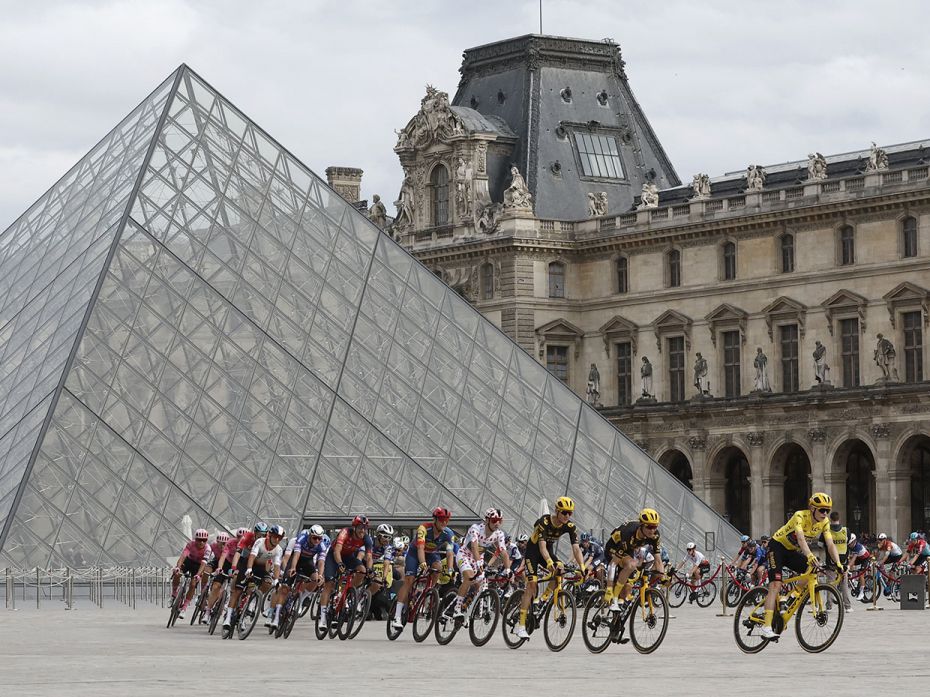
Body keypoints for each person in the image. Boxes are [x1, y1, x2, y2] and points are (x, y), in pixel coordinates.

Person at [759, 493, 843, 640]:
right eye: (822, 510)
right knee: (775, 585)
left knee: (812, 569)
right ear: (812, 508)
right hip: (777, 547)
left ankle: (791, 595)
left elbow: (830, 544)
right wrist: (809, 555)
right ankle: (766, 627)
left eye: (827, 511)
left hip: (791, 551)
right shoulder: (800, 516)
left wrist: (838, 563)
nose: (825, 513)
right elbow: (800, 537)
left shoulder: (824, 523)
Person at [515, 496, 586, 640]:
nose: (567, 516)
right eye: (564, 512)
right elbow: (541, 547)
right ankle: (521, 626)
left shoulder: (570, 526)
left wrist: (582, 567)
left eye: (570, 513)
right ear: (557, 511)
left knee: (560, 569)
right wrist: (548, 562)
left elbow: (577, 549)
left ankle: (542, 599)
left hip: (548, 551)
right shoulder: (544, 522)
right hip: (533, 553)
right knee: (532, 584)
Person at [392, 507, 455, 631]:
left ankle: (429, 593)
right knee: (409, 580)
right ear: (435, 519)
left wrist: (451, 569)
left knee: (438, 567)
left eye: (446, 520)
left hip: (431, 553)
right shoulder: (424, 528)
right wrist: (422, 563)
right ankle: (397, 616)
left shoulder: (449, 533)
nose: (444, 523)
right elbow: (420, 548)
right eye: (441, 519)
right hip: (415, 553)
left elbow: (450, 554)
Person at [602, 508, 666, 612]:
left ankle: (618, 613)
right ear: (641, 524)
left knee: (628, 586)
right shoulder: (628, 534)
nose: (652, 530)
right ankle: (613, 599)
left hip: (629, 549)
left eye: (655, 526)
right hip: (614, 548)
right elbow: (613, 564)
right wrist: (609, 587)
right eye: (649, 527)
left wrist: (663, 577)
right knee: (631, 565)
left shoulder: (654, 535)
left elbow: (658, 560)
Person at [452, 508, 511, 619]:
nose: (497, 523)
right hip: (465, 555)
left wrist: (508, 570)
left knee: (478, 585)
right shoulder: (476, 528)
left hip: (477, 559)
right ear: (487, 520)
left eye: (500, 520)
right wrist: (479, 563)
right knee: (469, 577)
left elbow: (503, 552)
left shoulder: (499, 534)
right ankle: (457, 609)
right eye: (494, 520)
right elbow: (474, 546)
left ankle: (466, 607)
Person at [223, 524, 285, 629]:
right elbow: (251, 556)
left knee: (268, 582)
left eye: (280, 538)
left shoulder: (279, 549)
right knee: (238, 590)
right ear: (270, 535)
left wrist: (276, 579)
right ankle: (228, 617)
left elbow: (277, 565)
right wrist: (248, 569)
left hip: (260, 567)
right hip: (247, 563)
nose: (277, 540)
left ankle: (253, 600)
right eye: (275, 536)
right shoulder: (260, 542)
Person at [318, 516, 374, 631]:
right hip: (334, 556)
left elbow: (369, 557)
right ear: (354, 527)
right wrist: (339, 563)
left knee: (362, 570)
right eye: (359, 528)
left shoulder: (367, 538)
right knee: (329, 584)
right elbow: (337, 550)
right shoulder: (345, 532)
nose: (362, 530)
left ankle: (349, 592)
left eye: (364, 528)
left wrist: (370, 569)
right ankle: (323, 617)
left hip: (348, 556)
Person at [171, 528, 214, 620]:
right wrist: (178, 567)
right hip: (189, 561)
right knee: (177, 574)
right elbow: (183, 556)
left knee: (193, 583)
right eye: (199, 540)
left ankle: (184, 608)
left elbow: (203, 563)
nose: (201, 542)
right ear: (195, 539)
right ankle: (174, 594)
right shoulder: (191, 544)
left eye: (204, 540)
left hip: (199, 566)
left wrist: (198, 575)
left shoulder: (208, 549)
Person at [827, 511, 851, 610]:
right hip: (843, 560)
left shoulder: (827, 530)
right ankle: (848, 606)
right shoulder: (846, 530)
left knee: (830, 583)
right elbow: (849, 542)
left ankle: (829, 606)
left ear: (830, 519)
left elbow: (820, 545)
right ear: (839, 518)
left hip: (831, 560)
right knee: (844, 583)